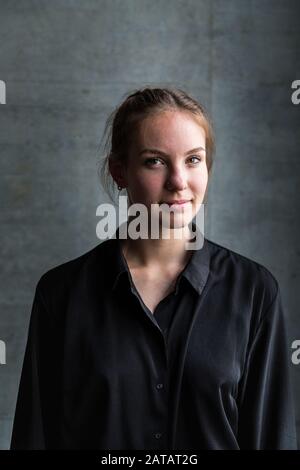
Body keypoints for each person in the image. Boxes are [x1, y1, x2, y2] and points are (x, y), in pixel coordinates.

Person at [10, 87, 297, 450]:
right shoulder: (61, 294)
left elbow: (271, 436)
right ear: (120, 171)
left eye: (193, 160)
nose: (179, 182)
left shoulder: (254, 291)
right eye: (155, 161)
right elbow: (36, 436)